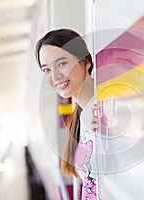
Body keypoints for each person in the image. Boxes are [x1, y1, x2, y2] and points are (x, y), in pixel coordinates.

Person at [35, 28, 100, 200]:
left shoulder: (103, 108)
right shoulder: (80, 117)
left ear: (85, 62)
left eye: (62, 63)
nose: (55, 76)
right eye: (46, 69)